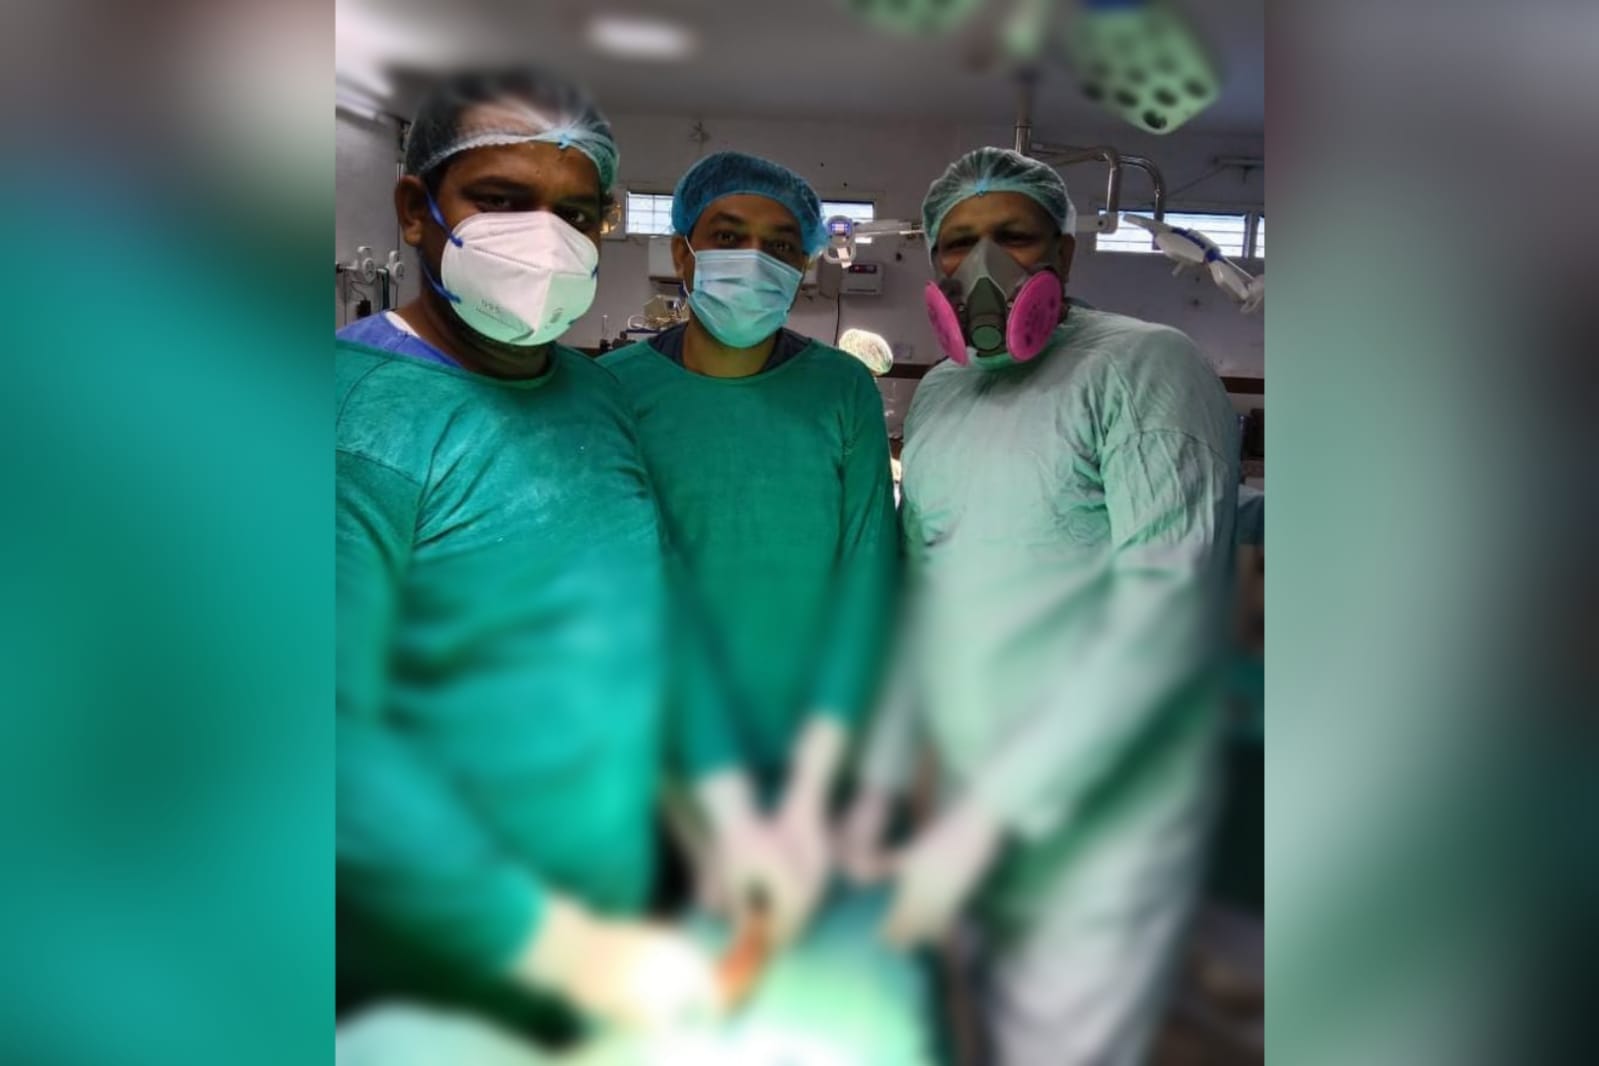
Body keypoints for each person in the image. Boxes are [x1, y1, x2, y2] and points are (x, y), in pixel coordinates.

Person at [335, 68, 720, 1041]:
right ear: (414, 211)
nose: (543, 240)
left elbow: (638, 618)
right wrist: (551, 944)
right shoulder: (353, 420)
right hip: (421, 973)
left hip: (604, 918)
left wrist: (709, 813)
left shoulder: (590, 394)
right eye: (501, 200)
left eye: (577, 214)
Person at [840, 147, 1240, 1065]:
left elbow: (1166, 611)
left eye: (1012, 236)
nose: (982, 263)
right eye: (957, 243)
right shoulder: (941, 394)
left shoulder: (1144, 365)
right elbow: (927, 593)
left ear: (1061, 253)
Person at [600, 152, 897, 946]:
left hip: (804, 756)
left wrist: (808, 794)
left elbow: (867, 587)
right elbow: (620, 595)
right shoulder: (612, 391)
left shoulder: (841, 390)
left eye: (780, 244)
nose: (754, 259)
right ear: (683, 251)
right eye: (728, 235)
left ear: (803, 267)